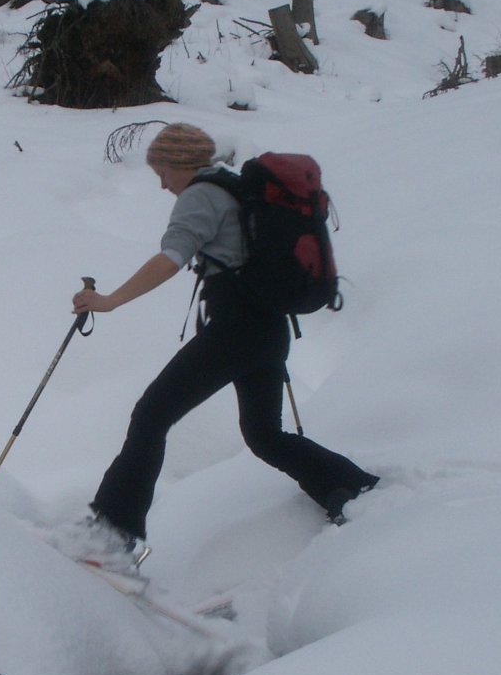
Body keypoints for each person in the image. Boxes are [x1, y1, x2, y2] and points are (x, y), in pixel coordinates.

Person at [65, 122, 377, 568]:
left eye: (162, 171)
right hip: (268, 330)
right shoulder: (233, 188)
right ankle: (351, 488)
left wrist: (110, 301)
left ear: (179, 164)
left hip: (236, 331)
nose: (162, 183)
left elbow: (169, 258)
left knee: (151, 415)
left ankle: (112, 535)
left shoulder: (200, 194)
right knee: (265, 435)